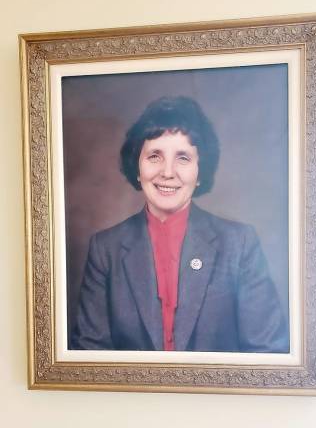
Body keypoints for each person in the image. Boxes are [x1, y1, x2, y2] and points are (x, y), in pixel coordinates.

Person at [71, 96, 289, 353]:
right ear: (137, 168)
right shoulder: (105, 248)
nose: (167, 172)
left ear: (200, 172)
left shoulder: (239, 244)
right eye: (155, 156)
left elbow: (268, 351)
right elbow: (90, 354)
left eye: (183, 158)